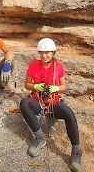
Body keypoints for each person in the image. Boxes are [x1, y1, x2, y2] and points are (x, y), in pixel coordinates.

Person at [20, 38, 83, 171]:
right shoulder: (33, 65)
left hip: (53, 100)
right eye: (41, 53)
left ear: (53, 53)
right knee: (25, 103)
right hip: (37, 99)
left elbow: (63, 87)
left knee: (68, 113)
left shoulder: (58, 66)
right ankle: (39, 137)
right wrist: (37, 86)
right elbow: (27, 85)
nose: (44, 55)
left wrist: (54, 88)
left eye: (47, 52)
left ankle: (76, 150)